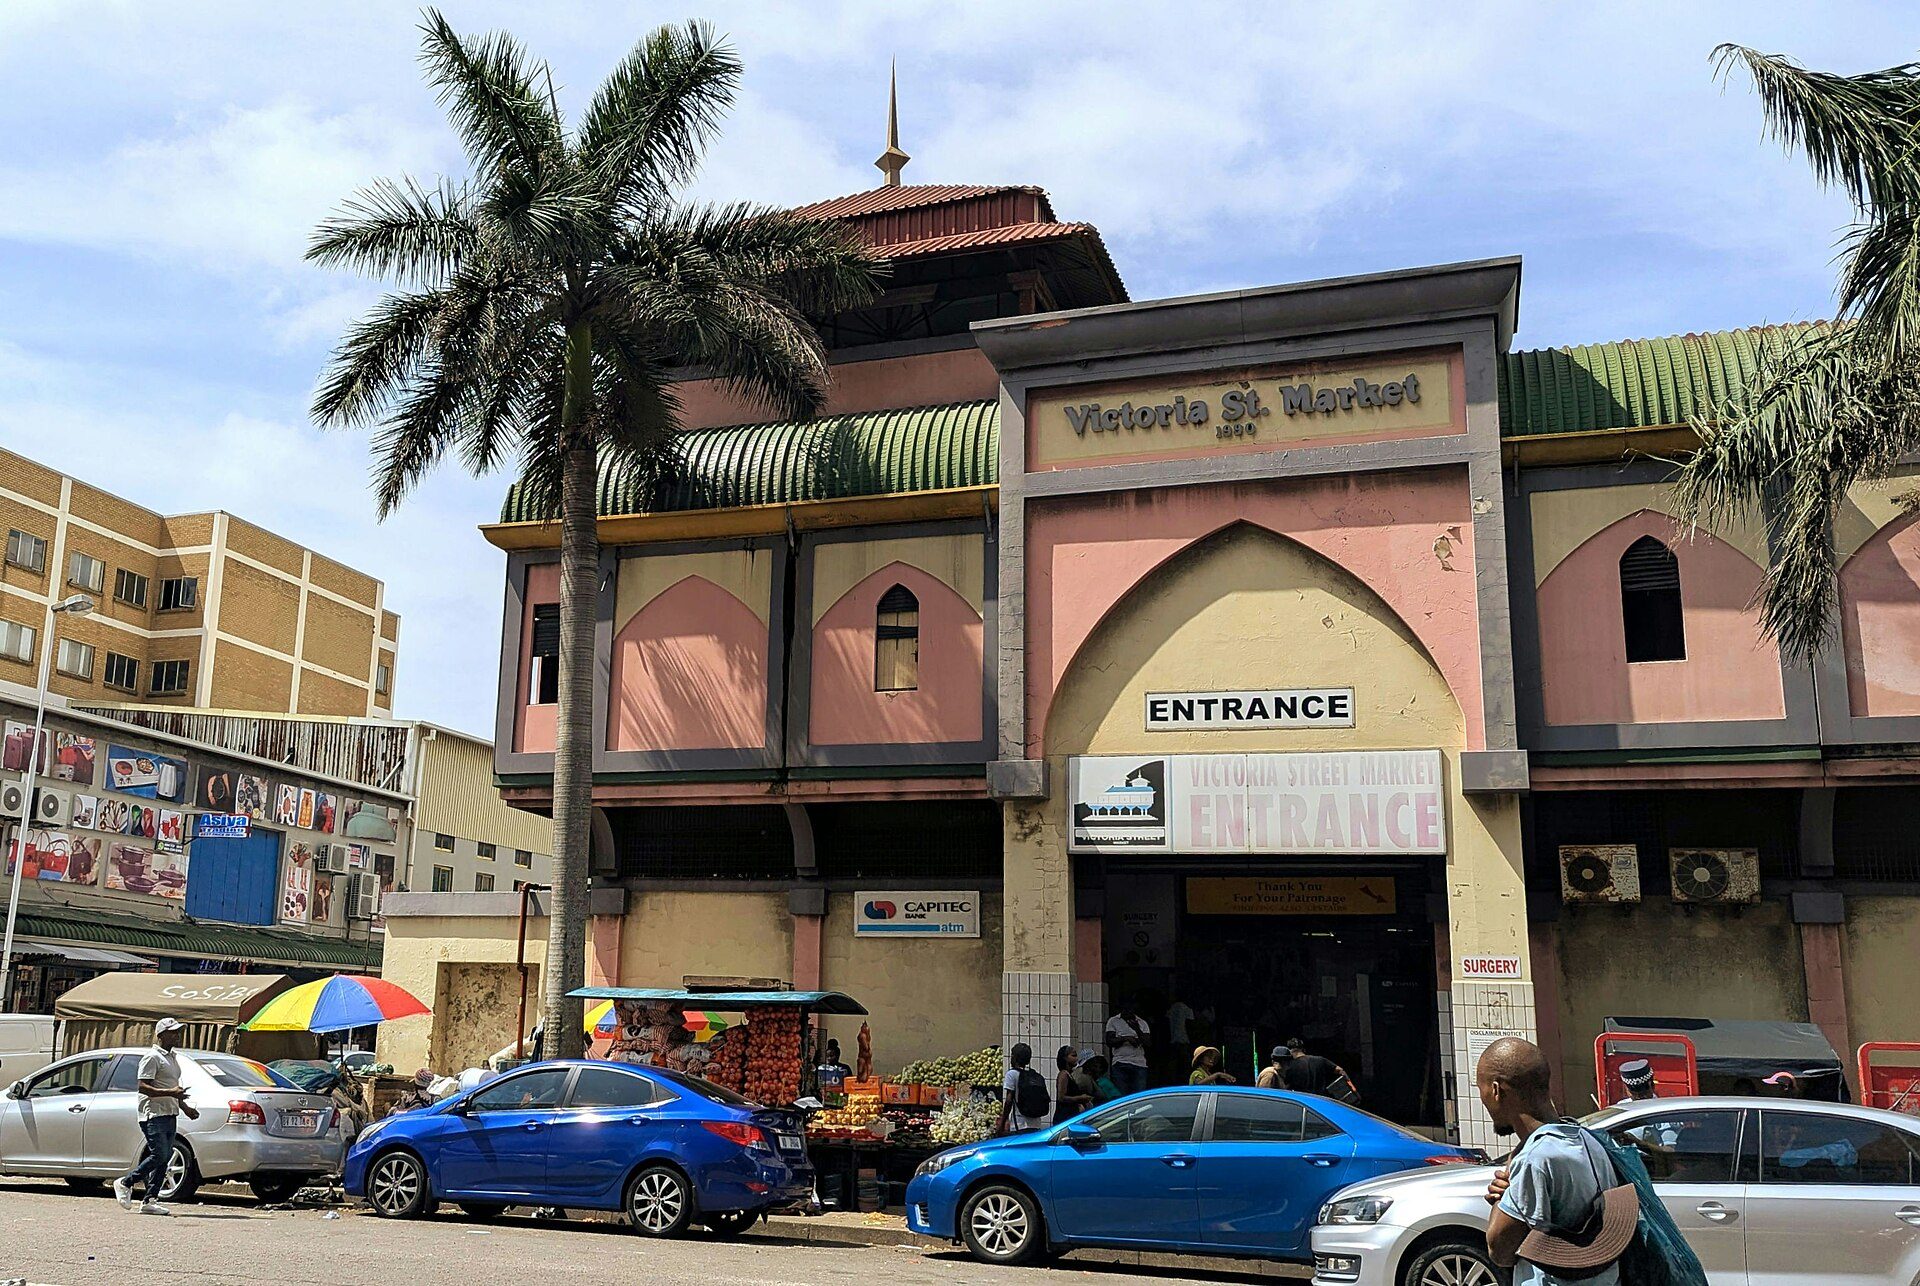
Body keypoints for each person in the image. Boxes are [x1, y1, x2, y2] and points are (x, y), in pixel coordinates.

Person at [113, 1016, 200, 1216]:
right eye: (173, 1032)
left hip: (169, 1112)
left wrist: (184, 1106)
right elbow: (143, 1087)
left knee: (166, 1157)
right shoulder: (152, 1057)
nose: (177, 1036)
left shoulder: (172, 1058)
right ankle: (125, 1182)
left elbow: (173, 1088)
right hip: (153, 1114)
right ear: (161, 1035)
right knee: (159, 1154)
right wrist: (172, 1093)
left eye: (178, 1032)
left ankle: (150, 1200)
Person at [997, 1043, 1051, 1135]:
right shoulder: (1035, 1076)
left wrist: (1002, 1124)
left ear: (1014, 1057)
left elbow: (1009, 1101)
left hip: (1019, 1125)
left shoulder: (1012, 1074)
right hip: (1036, 1125)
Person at [1105, 997, 1152, 1096]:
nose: (1128, 1011)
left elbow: (1148, 1043)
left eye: (1130, 1009)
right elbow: (1109, 1041)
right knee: (1121, 1096)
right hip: (1120, 1062)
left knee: (1138, 1096)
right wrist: (1126, 1038)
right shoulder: (1113, 1021)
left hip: (1139, 1064)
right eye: (1125, 1009)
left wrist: (1137, 1029)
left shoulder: (1142, 1023)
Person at [1282, 1036, 1353, 1101]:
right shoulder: (1320, 1060)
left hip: (1303, 1102)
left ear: (1290, 1051)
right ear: (1303, 1049)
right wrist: (1352, 1090)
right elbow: (1341, 1071)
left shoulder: (1289, 1066)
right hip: (1321, 1100)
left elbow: (1285, 1087)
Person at [1054, 1045, 1093, 1123]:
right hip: (1064, 1116)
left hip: (1071, 1115)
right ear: (1065, 1058)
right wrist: (1080, 1098)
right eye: (1073, 1056)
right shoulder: (1063, 1074)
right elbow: (1061, 1097)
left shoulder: (1070, 1074)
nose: (1076, 1059)